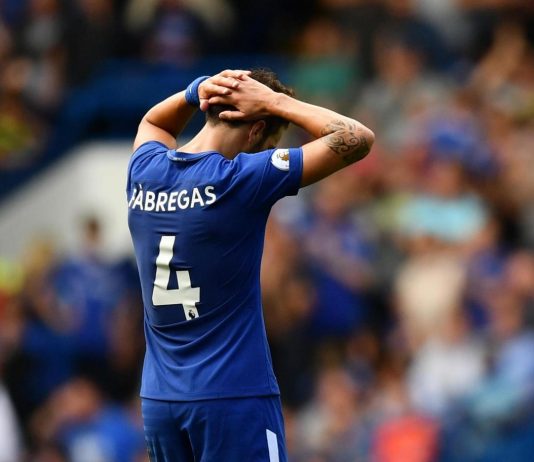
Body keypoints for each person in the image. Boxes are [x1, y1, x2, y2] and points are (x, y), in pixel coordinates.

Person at [127, 68, 374, 461]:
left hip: (160, 400)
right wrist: (276, 102)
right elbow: (356, 138)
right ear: (257, 130)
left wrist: (195, 91)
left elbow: (153, 122)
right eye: (267, 144)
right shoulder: (238, 180)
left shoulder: (146, 170)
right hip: (232, 396)